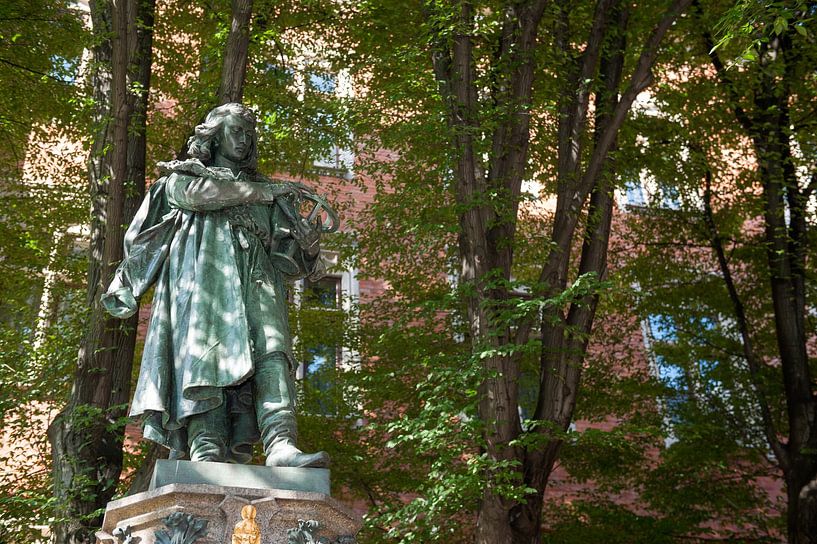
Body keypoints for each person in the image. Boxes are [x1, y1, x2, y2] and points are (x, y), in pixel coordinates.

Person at [101, 103, 330, 468]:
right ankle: (204, 448)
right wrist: (261, 192)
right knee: (206, 358)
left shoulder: (267, 197)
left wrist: (308, 244)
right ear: (214, 135)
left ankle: (281, 444)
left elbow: (289, 258)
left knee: (274, 351)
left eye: (248, 134)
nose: (244, 139)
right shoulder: (184, 178)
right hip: (205, 281)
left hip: (258, 277)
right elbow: (201, 196)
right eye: (236, 130)